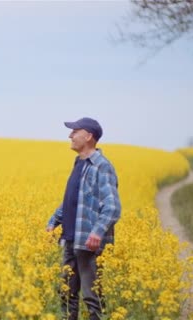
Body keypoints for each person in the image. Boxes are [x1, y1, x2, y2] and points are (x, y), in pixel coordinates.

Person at [45, 117, 121, 320]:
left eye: (74, 131)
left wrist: (97, 232)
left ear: (88, 136)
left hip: (88, 242)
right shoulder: (79, 163)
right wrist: (54, 221)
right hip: (70, 239)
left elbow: (112, 207)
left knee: (91, 296)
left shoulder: (101, 166)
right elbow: (73, 199)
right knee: (66, 293)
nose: (70, 135)